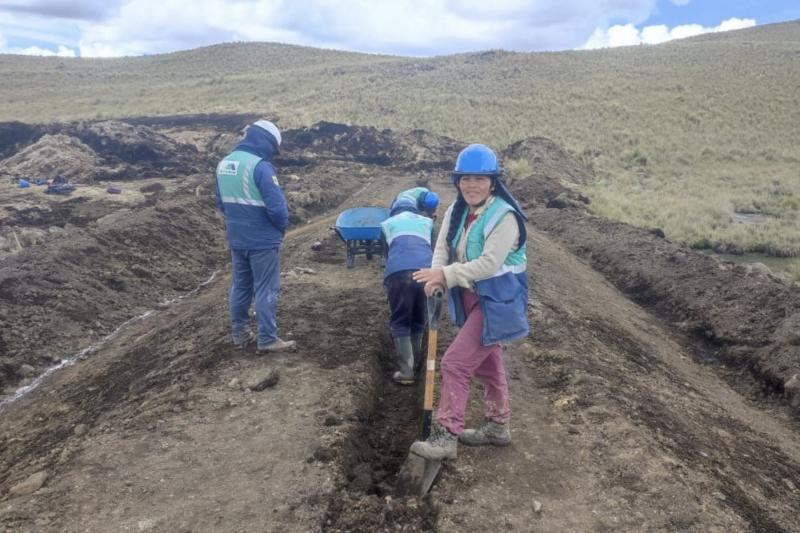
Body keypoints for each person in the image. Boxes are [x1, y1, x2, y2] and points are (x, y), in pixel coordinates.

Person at [410, 143, 529, 460]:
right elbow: (442, 247)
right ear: (457, 181)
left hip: (498, 301)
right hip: (472, 297)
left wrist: (445, 276)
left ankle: (445, 436)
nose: (472, 185)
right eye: (465, 179)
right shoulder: (457, 210)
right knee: (489, 365)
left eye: (480, 179)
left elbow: (489, 264)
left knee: (455, 363)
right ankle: (498, 427)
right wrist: (436, 273)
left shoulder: (504, 217)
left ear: (493, 182)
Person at [214, 120, 296, 352]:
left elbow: (220, 201)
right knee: (266, 288)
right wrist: (280, 229)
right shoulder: (260, 167)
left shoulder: (224, 163)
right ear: (265, 142)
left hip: (237, 237)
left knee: (241, 285)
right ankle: (268, 338)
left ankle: (240, 335)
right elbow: (278, 209)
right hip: (262, 240)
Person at [380, 193, 437, 384]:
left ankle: (406, 372)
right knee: (419, 320)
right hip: (426, 273)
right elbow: (435, 251)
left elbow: (386, 255)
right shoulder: (428, 222)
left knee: (400, 321)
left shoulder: (387, 224)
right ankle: (418, 364)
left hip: (398, 274)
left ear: (394, 209)